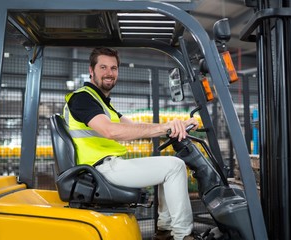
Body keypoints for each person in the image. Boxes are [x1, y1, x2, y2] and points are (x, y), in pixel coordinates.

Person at [63, 47, 200, 240]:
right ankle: (182, 235)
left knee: (167, 167)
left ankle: (165, 231)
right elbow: (111, 131)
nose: (109, 73)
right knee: (174, 166)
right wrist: (166, 127)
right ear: (91, 70)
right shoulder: (83, 98)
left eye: (113, 68)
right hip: (98, 170)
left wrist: (176, 125)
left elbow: (134, 127)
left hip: (103, 167)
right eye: (103, 67)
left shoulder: (101, 102)